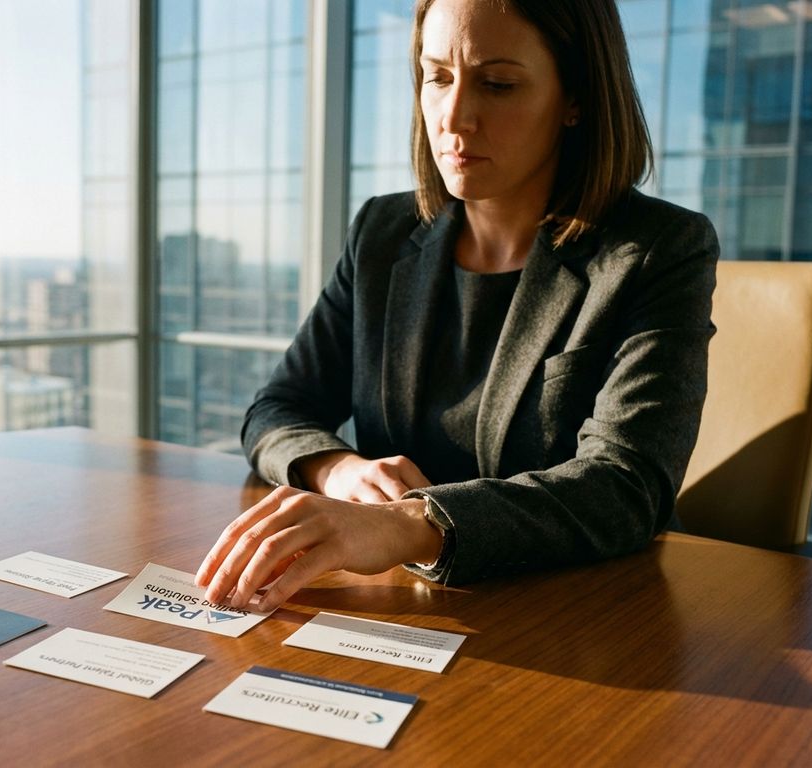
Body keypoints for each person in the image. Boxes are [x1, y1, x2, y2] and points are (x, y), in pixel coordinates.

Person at [195, 0, 719, 612]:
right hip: (411, 607)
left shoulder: (657, 250)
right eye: (437, 76)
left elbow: (625, 487)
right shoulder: (383, 231)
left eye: (498, 84)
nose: (454, 117)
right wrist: (335, 469)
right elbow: (279, 409)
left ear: (576, 99)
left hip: (580, 615)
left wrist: (405, 526)